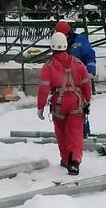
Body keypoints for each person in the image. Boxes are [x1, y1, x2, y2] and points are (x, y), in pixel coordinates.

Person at [38, 32, 92, 175]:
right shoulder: (78, 63)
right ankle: (74, 161)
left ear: (52, 47)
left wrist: (40, 107)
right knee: (75, 133)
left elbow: (43, 89)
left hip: (59, 104)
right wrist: (87, 100)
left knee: (61, 132)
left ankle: (65, 160)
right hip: (76, 102)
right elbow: (86, 84)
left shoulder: (48, 66)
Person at [55, 20, 97, 137]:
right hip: (65, 82)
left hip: (80, 80)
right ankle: (69, 131)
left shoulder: (80, 41)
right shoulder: (59, 44)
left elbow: (89, 55)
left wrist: (90, 72)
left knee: (81, 106)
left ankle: (83, 131)